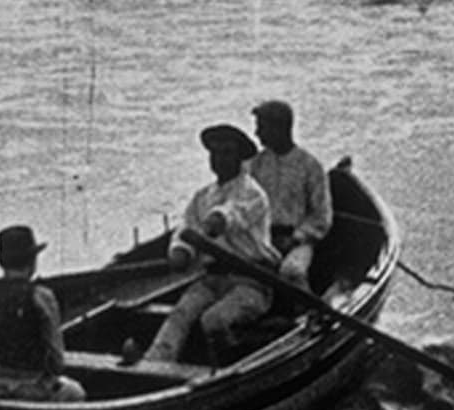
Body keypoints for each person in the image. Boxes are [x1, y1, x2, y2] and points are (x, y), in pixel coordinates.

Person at [142, 124, 279, 364]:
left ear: (239, 158)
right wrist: (180, 251)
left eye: (226, 153)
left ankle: (227, 369)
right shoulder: (202, 197)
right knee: (179, 315)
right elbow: (185, 230)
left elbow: (228, 216)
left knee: (213, 321)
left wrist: (211, 226)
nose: (219, 159)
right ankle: (152, 367)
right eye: (214, 153)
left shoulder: (252, 193)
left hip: (252, 283)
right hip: (211, 280)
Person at [0, 225, 87, 401]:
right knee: (76, 393)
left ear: (1, 262)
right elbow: (56, 362)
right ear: (33, 261)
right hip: (26, 389)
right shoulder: (41, 297)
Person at [248, 100, 332, 293]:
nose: (257, 133)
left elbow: (321, 217)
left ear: (280, 128)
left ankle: (307, 312)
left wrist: (296, 238)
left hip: (297, 241)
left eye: (262, 127)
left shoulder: (310, 166)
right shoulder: (255, 165)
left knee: (291, 272)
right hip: (263, 239)